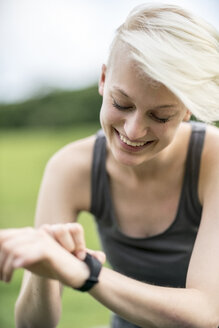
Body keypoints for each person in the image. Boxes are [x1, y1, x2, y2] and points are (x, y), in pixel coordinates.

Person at [1, 2, 219, 327]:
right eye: (122, 103)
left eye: (160, 116)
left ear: (187, 110)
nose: (133, 131)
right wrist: (45, 265)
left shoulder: (212, 160)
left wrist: (87, 274)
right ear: (104, 79)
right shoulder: (71, 168)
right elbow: (34, 324)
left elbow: (205, 314)